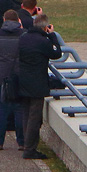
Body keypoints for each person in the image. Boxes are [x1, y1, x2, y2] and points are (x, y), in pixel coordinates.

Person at [16, 13, 62, 159]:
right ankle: (29, 149)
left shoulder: (23, 38)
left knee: (26, 115)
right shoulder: (43, 42)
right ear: (45, 28)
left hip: (22, 81)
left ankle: (24, 143)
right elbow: (56, 54)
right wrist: (52, 36)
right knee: (34, 118)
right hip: (37, 84)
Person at [0, 9, 26, 151]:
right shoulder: (24, 35)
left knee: (0, 109)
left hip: (0, 77)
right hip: (18, 77)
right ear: (18, 22)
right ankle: (22, 142)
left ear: (4, 20)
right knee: (19, 110)